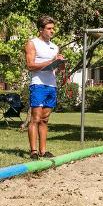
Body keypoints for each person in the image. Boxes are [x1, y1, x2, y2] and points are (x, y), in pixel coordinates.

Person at [24, 15, 65, 160]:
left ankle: (43, 151)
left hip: (51, 85)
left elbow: (56, 69)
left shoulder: (55, 47)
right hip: (38, 84)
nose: (52, 31)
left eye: (53, 28)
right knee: (35, 118)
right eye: (49, 28)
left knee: (45, 119)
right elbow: (30, 66)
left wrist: (61, 64)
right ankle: (33, 151)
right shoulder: (32, 43)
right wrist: (51, 61)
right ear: (41, 30)